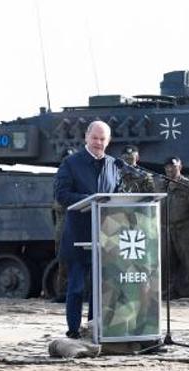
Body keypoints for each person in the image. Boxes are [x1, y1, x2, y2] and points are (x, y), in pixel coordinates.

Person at [54, 121, 120, 339]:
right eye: (95, 138)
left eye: (103, 139)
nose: (99, 143)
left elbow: (117, 195)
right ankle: (73, 330)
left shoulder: (114, 165)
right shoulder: (71, 163)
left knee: (99, 289)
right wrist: (90, 200)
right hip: (78, 235)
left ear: (108, 141)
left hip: (104, 236)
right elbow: (62, 195)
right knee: (76, 288)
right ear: (86, 137)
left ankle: (94, 328)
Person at [159, 156, 189, 298]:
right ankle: (167, 292)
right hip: (165, 229)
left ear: (180, 167)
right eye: (167, 167)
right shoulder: (161, 185)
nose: (170, 169)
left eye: (173, 166)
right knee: (166, 262)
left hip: (184, 228)